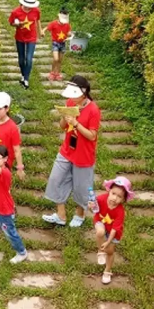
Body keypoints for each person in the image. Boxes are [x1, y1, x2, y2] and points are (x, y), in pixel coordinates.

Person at [43, 75, 101, 228]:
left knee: (82, 186)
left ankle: (80, 214)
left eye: (74, 95)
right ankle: (61, 215)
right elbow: (62, 126)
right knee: (56, 179)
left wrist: (76, 124)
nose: (71, 99)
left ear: (84, 93)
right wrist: (64, 116)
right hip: (67, 150)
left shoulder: (93, 110)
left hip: (84, 155)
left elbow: (92, 135)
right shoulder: (70, 102)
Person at [91, 177, 131, 285]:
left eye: (119, 196)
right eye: (113, 193)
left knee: (110, 252)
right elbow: (93, 206)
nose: (114, 198)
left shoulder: (120, 212)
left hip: (114, 232)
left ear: (123, 200)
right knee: (100, 232)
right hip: (100, 221)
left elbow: (114, 229)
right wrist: (91, 205)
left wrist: (108, 242)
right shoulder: (102, 198)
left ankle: (107, 271)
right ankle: (100, 251)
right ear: (109, 191)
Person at [9, 0, 41, 89]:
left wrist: (40, 31)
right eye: (27, 6)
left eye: (31, 7)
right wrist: (18, 25)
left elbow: (38, 20)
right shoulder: (15, 12)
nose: (29, 8)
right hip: (20, 37)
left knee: (29, 58)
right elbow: (11, 23)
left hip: (32, 37)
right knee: (22, 59)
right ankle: (23, 76)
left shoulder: (36, 11)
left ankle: (26, 80)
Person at [43, 9, 72, 81]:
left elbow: (68, 32)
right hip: (55, 43)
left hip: (63, 43)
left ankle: (57, 73)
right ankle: (52, 72)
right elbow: (46, 28)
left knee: (60, 60)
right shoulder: (54, 23)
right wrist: (43, 31)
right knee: (56, 59)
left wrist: (70, 34)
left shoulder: (67, 25)